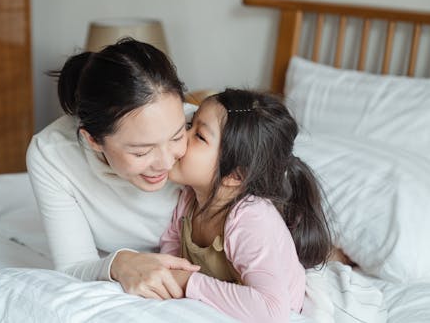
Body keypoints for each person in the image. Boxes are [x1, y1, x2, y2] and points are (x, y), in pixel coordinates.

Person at [26, 38, 201, 300]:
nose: (166, 162)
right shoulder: (52, 155)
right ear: (93, 140)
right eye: (141, 151)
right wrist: (120, 263)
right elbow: (74, 266)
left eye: (177, 137)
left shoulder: (206, 131)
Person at [160, 89, 332, 322]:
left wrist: (189, 282)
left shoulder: (249, 219)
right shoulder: (188, 199)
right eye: (190, 123)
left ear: (235, 175)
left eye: (199, 136)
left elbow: (272, 311)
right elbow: (172, 244)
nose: (182, 135)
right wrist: (169, 277)